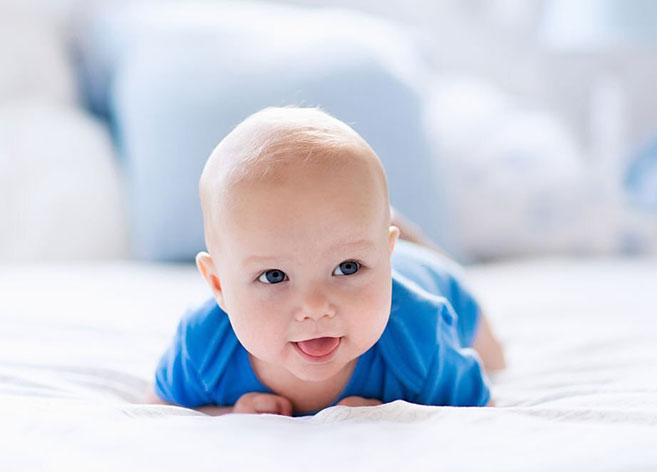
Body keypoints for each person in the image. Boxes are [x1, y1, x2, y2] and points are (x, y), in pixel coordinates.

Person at [148, 106, 505, 416]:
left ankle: (414, 244)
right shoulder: (203, 345)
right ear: (218, 285)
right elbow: (159, 410)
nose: (315, 307)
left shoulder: (421, 335)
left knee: (495, 361)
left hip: (439, 282)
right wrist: (231, 412)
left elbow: (482, 413)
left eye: (348, 267)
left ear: (385, 258)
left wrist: (397, 415)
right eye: (274, 276)